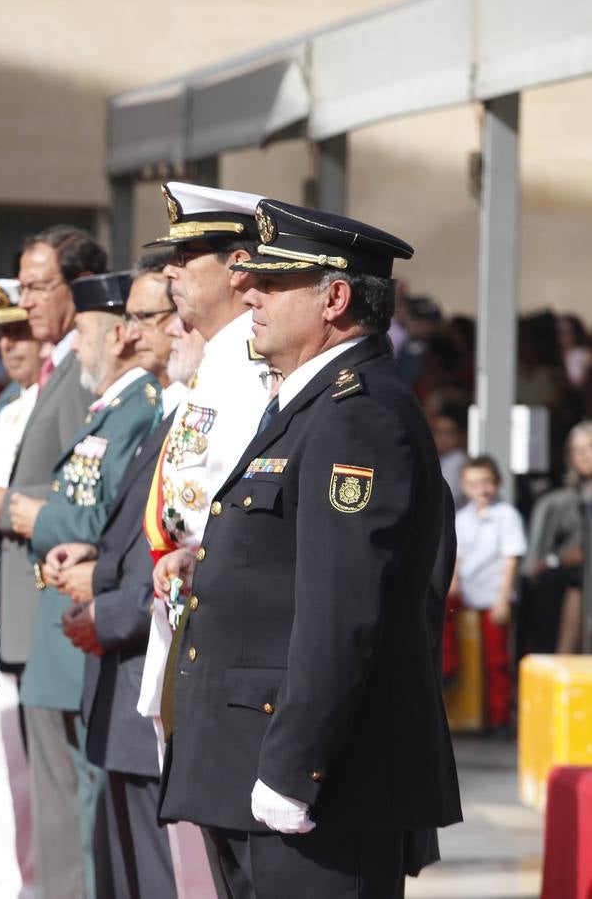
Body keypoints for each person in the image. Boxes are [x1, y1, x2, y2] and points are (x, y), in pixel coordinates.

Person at [155, 199, 462, 897]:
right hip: (249, 766)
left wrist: (294, 770)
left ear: (335, 298)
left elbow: (343, 611)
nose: (251, 293)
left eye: (274, 282)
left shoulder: (358, 417)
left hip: (312, 786)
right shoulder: (313, 404)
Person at [10, 268, 164, 898]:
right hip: (64, 633)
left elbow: (119, 520)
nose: (72, 347)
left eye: (81, 331)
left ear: (117, 336)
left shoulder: (140, 410)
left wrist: (36, 516)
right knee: (61, 824)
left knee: (86, 822)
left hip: (92, 631)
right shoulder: (111, 408)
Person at [135, 182, 269, 897]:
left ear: (240, 265)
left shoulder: (257, 367)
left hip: (228, 644)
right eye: (172, 258)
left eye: (190, 255)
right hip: (185, 628)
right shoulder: (215, 363)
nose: (172, 273)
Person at [48, 250, 185, 899]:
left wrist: (111, 600)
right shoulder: (166, 412)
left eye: (146, 318)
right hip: (125, 675)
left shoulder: (170, 411)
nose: (127, 335)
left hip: (154, 677)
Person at [0, 223, 105, 899]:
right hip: (33, 620)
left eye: (39, 286)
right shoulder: (49, 370)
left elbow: (90, 490)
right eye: (24, 284)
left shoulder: (83, 373)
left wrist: (7, 504)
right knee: (45, 811)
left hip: (62, 612)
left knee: (68, 811)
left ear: (80, 288)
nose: (25, 299)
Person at [0, 281, 42, 899]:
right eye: (2, 331)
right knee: (0, 784)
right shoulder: (13, 404)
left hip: (40, 620)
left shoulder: (57, 399)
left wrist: (5, 505)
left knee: (38, 795)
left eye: (21, 329)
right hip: (1, 615)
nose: (9, 343)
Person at [453, 455, 526, 732]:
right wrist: (453, 582)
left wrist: (503, 598)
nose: (481, 489)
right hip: (467, 594)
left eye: (486, 482)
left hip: (493, 596)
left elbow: (511, 559)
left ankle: (499, 718)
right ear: (464, 485)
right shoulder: (462, 517)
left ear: (497, 483)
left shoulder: (506, 516)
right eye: (474, 483)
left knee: (496, 661)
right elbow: (457, 557)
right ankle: (469, 710)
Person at [522, 421, 592, 654]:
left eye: (588, 448)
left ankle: (564, 656)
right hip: (564, 572)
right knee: (546, 580)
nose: (582, 456)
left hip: (581, 571)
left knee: (575, 584)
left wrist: (556, 561)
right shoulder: (559, 499)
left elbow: (582, 552)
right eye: (575, 450)